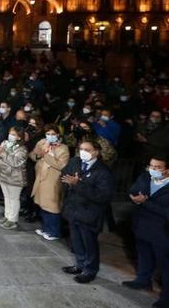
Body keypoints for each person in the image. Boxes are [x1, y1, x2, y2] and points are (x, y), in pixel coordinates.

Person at [60, 140, 115, 284]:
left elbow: (102, 196)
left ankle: (90, 270)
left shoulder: (103, 172)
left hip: (89, 214)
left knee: (89, 243)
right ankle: (79, 265)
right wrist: (68, 182)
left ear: (96, 152)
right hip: (73, 210)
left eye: (87, 149)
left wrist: (77, 184)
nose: (82, 152)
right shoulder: (75, 162)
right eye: (81, 148)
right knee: (76, 241)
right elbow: (64, 174)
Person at [123, 154, 169, 307]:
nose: (153, 170)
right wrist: (134, 197)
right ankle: (143, 281)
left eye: (158, 167)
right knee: (143, 256)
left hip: (162, 232)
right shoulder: (145, 177)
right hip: (142, 225)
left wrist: (145, 202)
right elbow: (134, 189)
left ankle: (166, 298)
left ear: (167, 170)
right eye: (151, 166)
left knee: (165, 265)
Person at [29, 127, 70, 240]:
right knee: (42, 203)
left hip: (52, 178)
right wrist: (38, 154)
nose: (50, 136)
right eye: (47, 133)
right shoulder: (42, 142)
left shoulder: (63, 148)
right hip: (40, 176)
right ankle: (45, 227)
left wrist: (45, 155)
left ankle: (54, 231)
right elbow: (32, 155)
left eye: (53, 134)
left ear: (58, 134)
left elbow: (62, 165)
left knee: (52, 205)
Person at [0, 126, 28, 229]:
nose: (10, 136)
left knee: (14, 199)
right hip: (3, 174)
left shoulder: (22, 149)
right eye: (10, 133)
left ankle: (13, 220)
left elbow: (16, 162)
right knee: (6, 197)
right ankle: (7, 216)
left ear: (19, 137)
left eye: (13, 134)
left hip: (15, 178)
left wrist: (3, 153)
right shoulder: (5, 143)